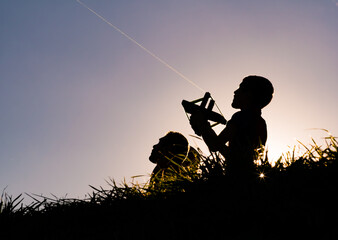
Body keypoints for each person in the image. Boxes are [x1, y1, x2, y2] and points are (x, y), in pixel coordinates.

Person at [189, 75, 274, 178]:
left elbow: (215, 145)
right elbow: (237, 156)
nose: (235, 92)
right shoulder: (260, 122)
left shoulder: (240, 117)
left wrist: (202, 124)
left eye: (241, 89)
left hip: (236, 177)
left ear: (250, 95)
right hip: (249, 176)